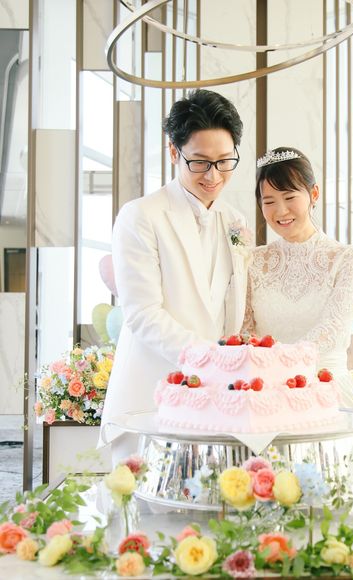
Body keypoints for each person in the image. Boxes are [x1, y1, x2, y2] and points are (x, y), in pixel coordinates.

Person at [99, 90, 248, 462]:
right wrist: (212, 361)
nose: (213, 175)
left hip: (215, 406)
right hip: (150, 400)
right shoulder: (140, 216)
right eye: (199, 162)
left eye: (224, 161)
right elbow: (142, 314)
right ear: (173, 152)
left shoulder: (235, 221)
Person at [243, 147, 353, 470]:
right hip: (266, 402)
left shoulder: (347, 258)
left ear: (314, 194)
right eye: (269, 201)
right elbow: (246, 329)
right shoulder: (253, 261)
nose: (280, 211)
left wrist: (283, 373)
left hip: (329, 395)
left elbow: (332, 329)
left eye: (289, 197)